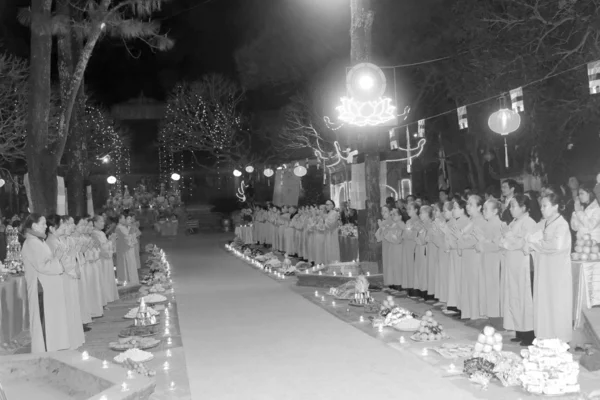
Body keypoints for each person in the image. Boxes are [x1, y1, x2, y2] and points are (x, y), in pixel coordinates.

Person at [527, 193, 573, 343]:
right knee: (543, 301)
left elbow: (556, 246)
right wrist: (533, 242)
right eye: (541, 205)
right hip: (543, 269)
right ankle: (545, 335)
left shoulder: (562, 224)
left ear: (555, 206)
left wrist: (535, 243)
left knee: (556, 303)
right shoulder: (544, 223)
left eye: (545, 205)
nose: (542, 209)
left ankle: (559, 338)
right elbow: (530, 237)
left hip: (556, 272)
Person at [21, 214, 70, 353]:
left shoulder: (38, 241)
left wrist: (56, 257)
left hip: (47, 287)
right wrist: (57, 258)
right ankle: (44, 352)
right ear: (34, 226)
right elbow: (43, 266)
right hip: (41, 288)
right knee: (44, 320)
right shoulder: (32, 243)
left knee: (51, 319)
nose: (46, 226)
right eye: (42, 223)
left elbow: (47, 261)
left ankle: (52, 348)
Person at [500, 194, 536, 345]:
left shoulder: (529, 222)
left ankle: (529, 333)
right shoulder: (515, 222)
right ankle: (519, 330)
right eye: (510, 206)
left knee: (524, 297)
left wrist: (508, 240)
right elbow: (505, 238)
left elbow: (525, 242)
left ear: (524, 208)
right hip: (512, 265)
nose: (511, 209)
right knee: (514, 296)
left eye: (514, 206)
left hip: (523, 265)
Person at [46, 215, 85, 350]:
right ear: (52, 228)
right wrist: (73, 270)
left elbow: (69, 257)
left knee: (72, 305)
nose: (65, 228)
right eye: (62, 225)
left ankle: (74, 338)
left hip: (69, 274)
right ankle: (69, 341)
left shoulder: (58, 240)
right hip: (64, 276)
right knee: (68, 306)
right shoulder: (52, 241)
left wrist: (74, 267)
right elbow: (60, 261)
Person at [91, 215, 119, 303]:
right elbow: (102, 249)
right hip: (102, 260)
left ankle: (109, 297)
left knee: (108, 278)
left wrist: (110, 241)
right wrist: (111, 241)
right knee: (104, 279)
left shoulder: (101, 233)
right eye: (101, 221)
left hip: (107, 260)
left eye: (103, 221)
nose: (103, 223)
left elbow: (106, 245)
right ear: (95, 223)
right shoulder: (94, 234)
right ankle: (105, 298)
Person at [115, 211, 139, 285]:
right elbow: (127, 239)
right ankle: (131, 282)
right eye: (124, 218)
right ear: (119, 219)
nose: (125, 220)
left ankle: (133, 281)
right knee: (128, 267)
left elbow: (130, 238)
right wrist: (132, 234)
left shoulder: (123, 227)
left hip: (128, 249)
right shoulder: (119, 228)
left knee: (131, 265)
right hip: (125, 250)